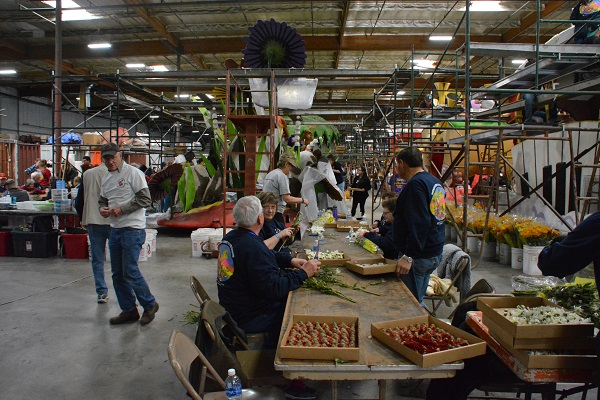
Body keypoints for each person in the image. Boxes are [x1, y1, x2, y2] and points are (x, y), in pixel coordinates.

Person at [217, 196, 320, 399]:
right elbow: (274, 288)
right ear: (260, 219)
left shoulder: (233, 238)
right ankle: (288, 378)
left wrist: (290, 260)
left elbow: (266, 254)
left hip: (232, 307)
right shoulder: (251, 246)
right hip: (249, 315)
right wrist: (304, 273)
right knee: (294, 313)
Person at [98, 142, 158, 325]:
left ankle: (149, 304)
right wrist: (102, 209)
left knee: (130, 270)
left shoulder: (134, 173)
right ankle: (129, 310)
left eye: (112, 157)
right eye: (106, 158)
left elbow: (145, 199)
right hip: (115, 230)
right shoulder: (106, 178)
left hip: (132, 229)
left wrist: (122, 209)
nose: (109, 162)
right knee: (117, 273)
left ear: (120, 154)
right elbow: (102, 200)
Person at [393, 147, 446, 306]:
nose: (396, 170)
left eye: (397, 165)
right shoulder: (434, 181)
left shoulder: (415, 185)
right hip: (433, 250)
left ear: (402, 164)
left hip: (418, 256)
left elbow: (420, 223)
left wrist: (409, 256)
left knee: (412, 304)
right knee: (419, 299)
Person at [77, 161, 112, 304]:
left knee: (97, 259)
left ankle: (101, 293)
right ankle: (126, 294)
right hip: (113, 221)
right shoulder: (117, 174)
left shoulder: (87, 174)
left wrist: (82, 218)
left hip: (93, 220)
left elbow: (79, 201)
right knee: (119, 260)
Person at [262, 154, 307, 224]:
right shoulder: (282, 176)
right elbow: (287, 198)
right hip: (275, 212)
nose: (291, 170)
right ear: (286, 164)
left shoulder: (271, 173)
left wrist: (292, 202)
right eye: (291, 167)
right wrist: (303, 200)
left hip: (266, 211)